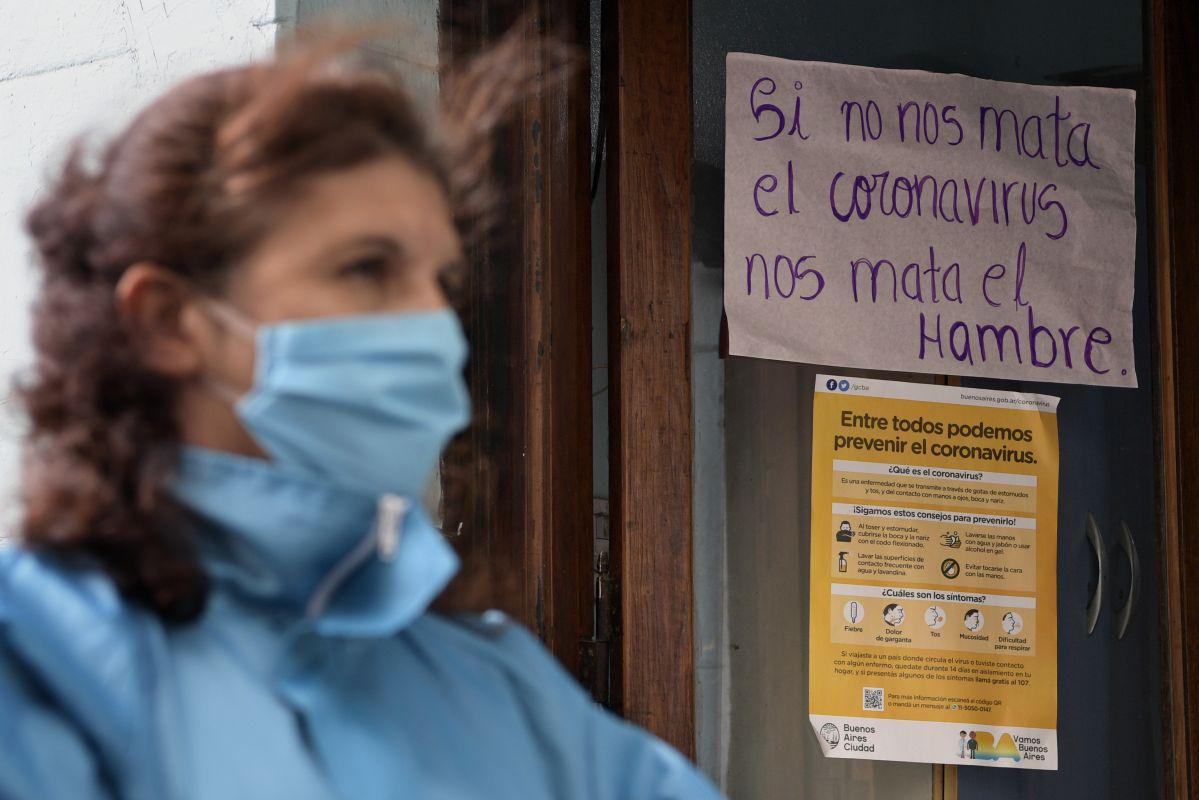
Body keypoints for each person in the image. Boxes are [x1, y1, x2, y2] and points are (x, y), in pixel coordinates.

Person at [0, 24, 723, 800]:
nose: (433, 326)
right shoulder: (36, 659)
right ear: (171, 322)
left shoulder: (501, 691)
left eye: (440, 281)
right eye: (367, 268)